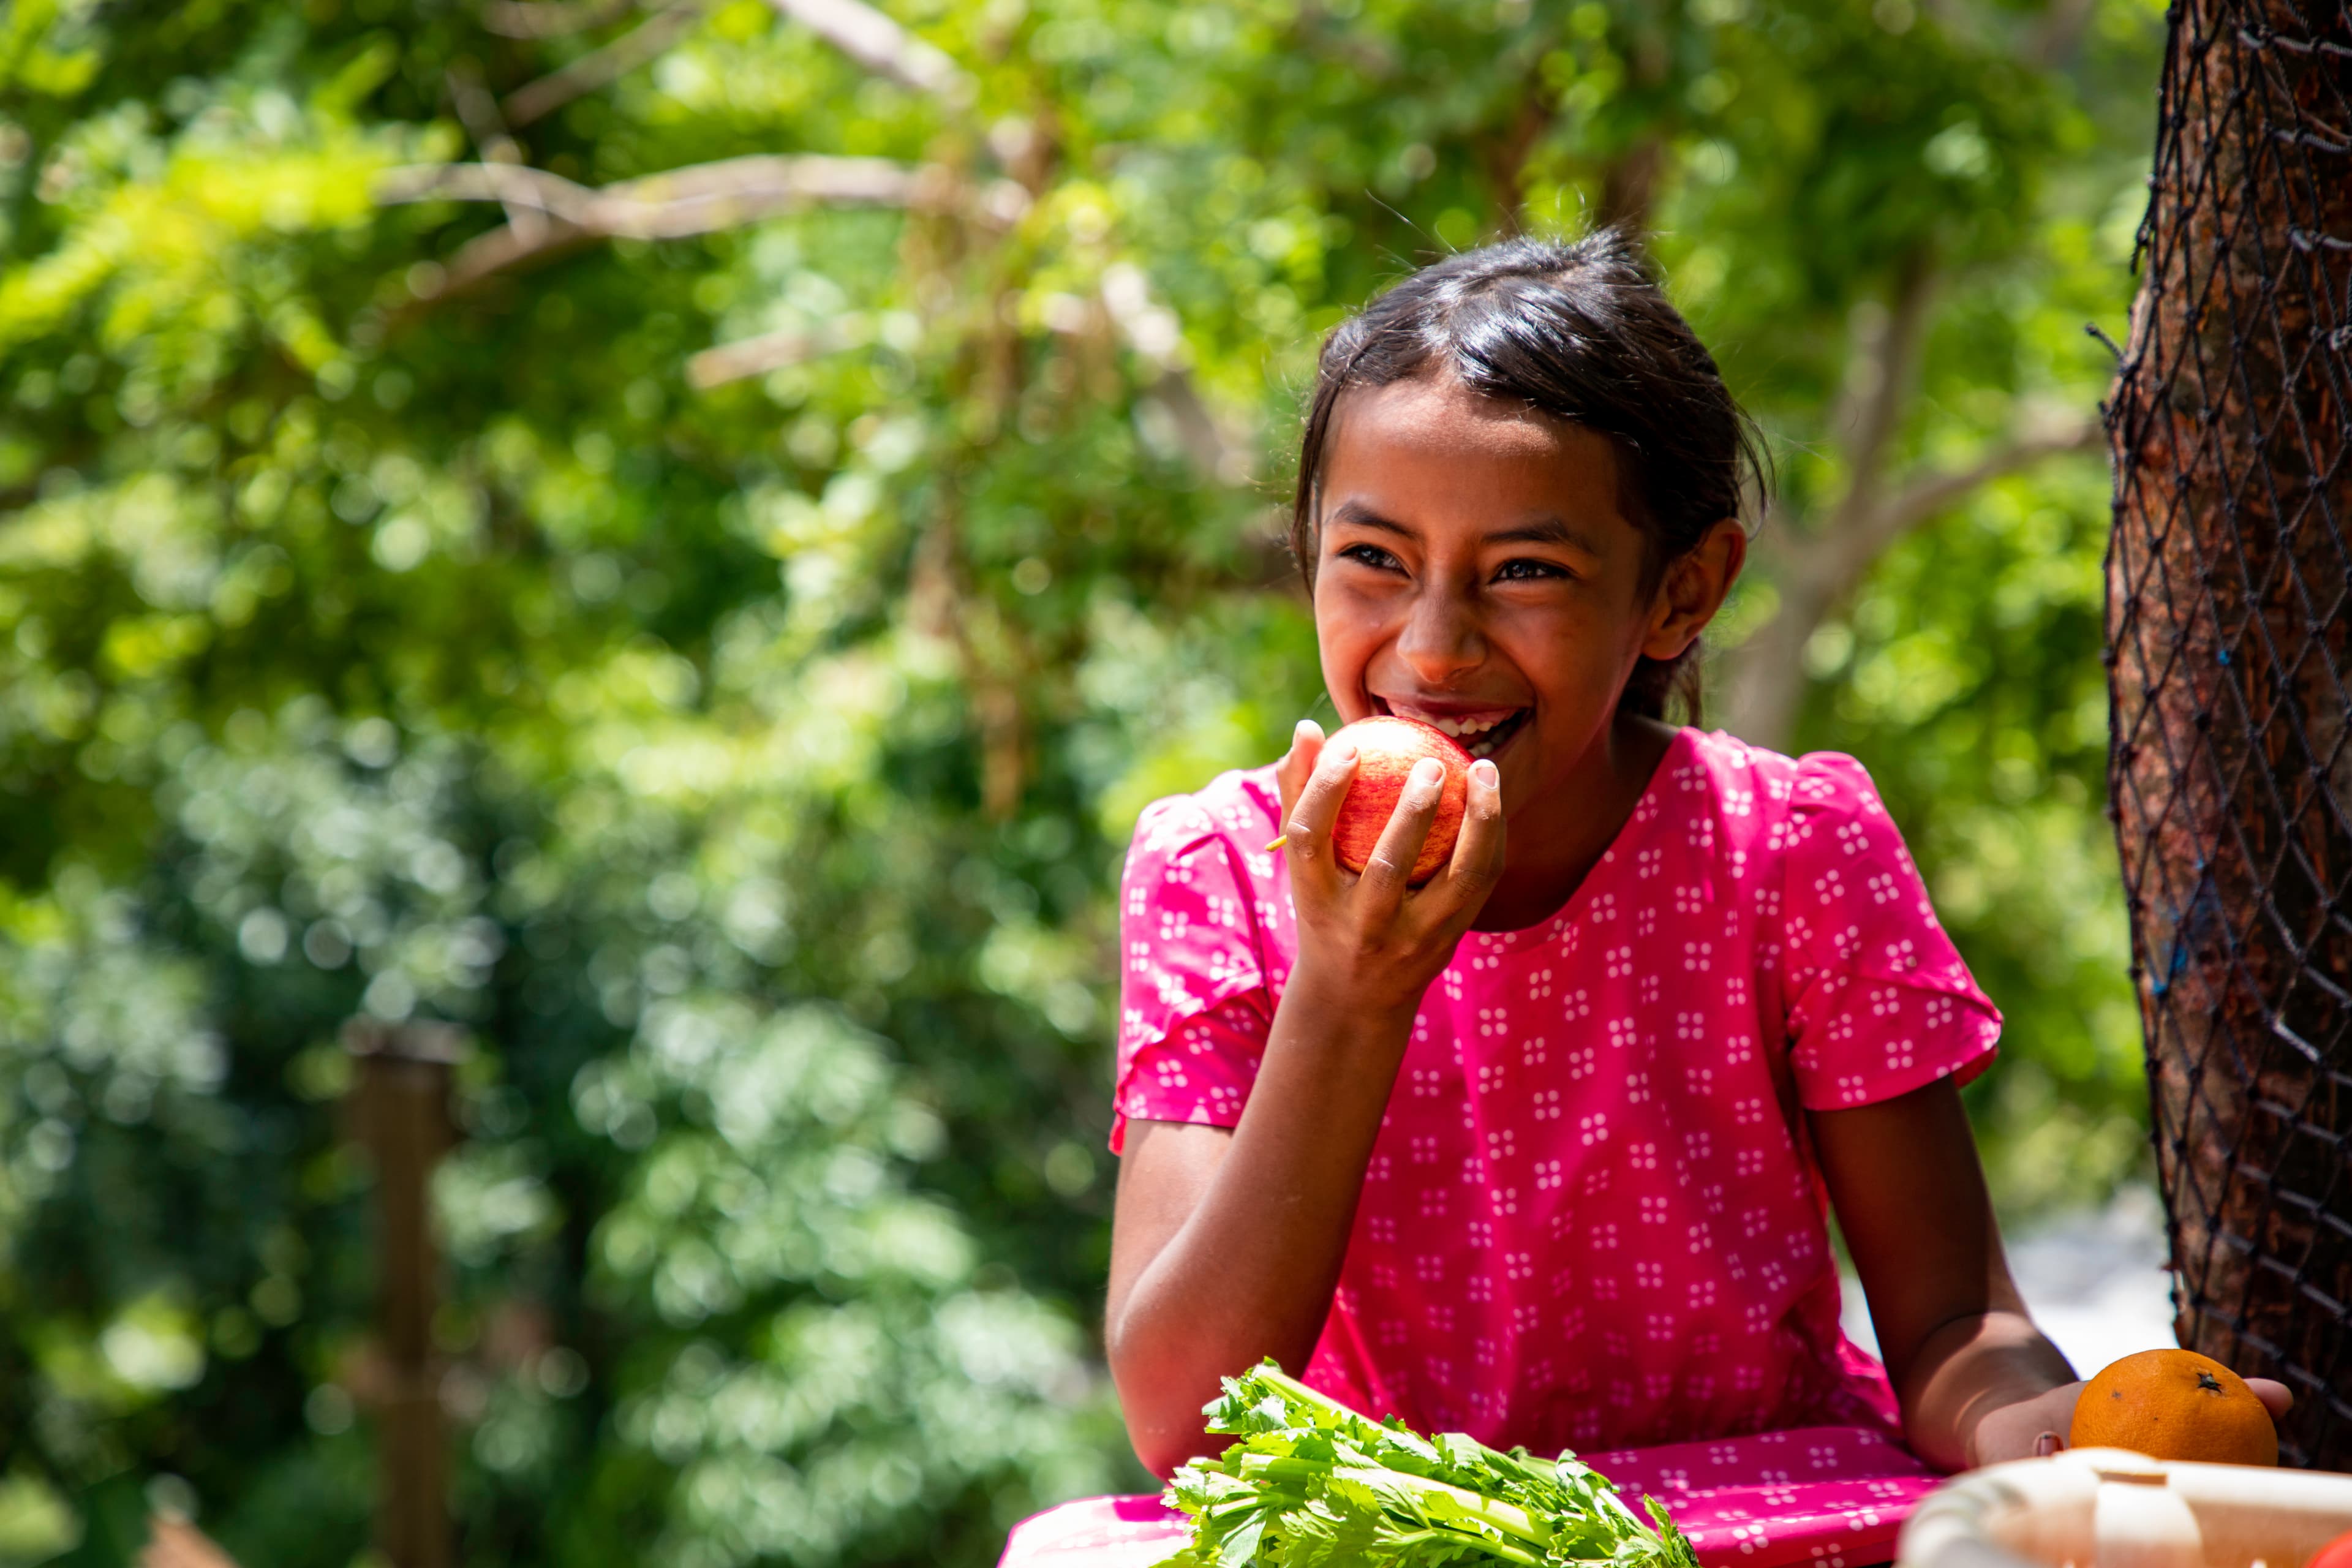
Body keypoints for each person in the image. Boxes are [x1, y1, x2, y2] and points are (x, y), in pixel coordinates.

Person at [995, 233, 2288, 1568]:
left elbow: (1954, 1319)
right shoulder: (1220, 867)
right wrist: (1350, 991)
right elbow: (1184, 1418)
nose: (1434, 645)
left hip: (1771, 1516)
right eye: (1374, 557)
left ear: (1682, 592)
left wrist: (2054, 1434)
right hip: (1399, 1538)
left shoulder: (1791, 847)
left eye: (1525, 572)